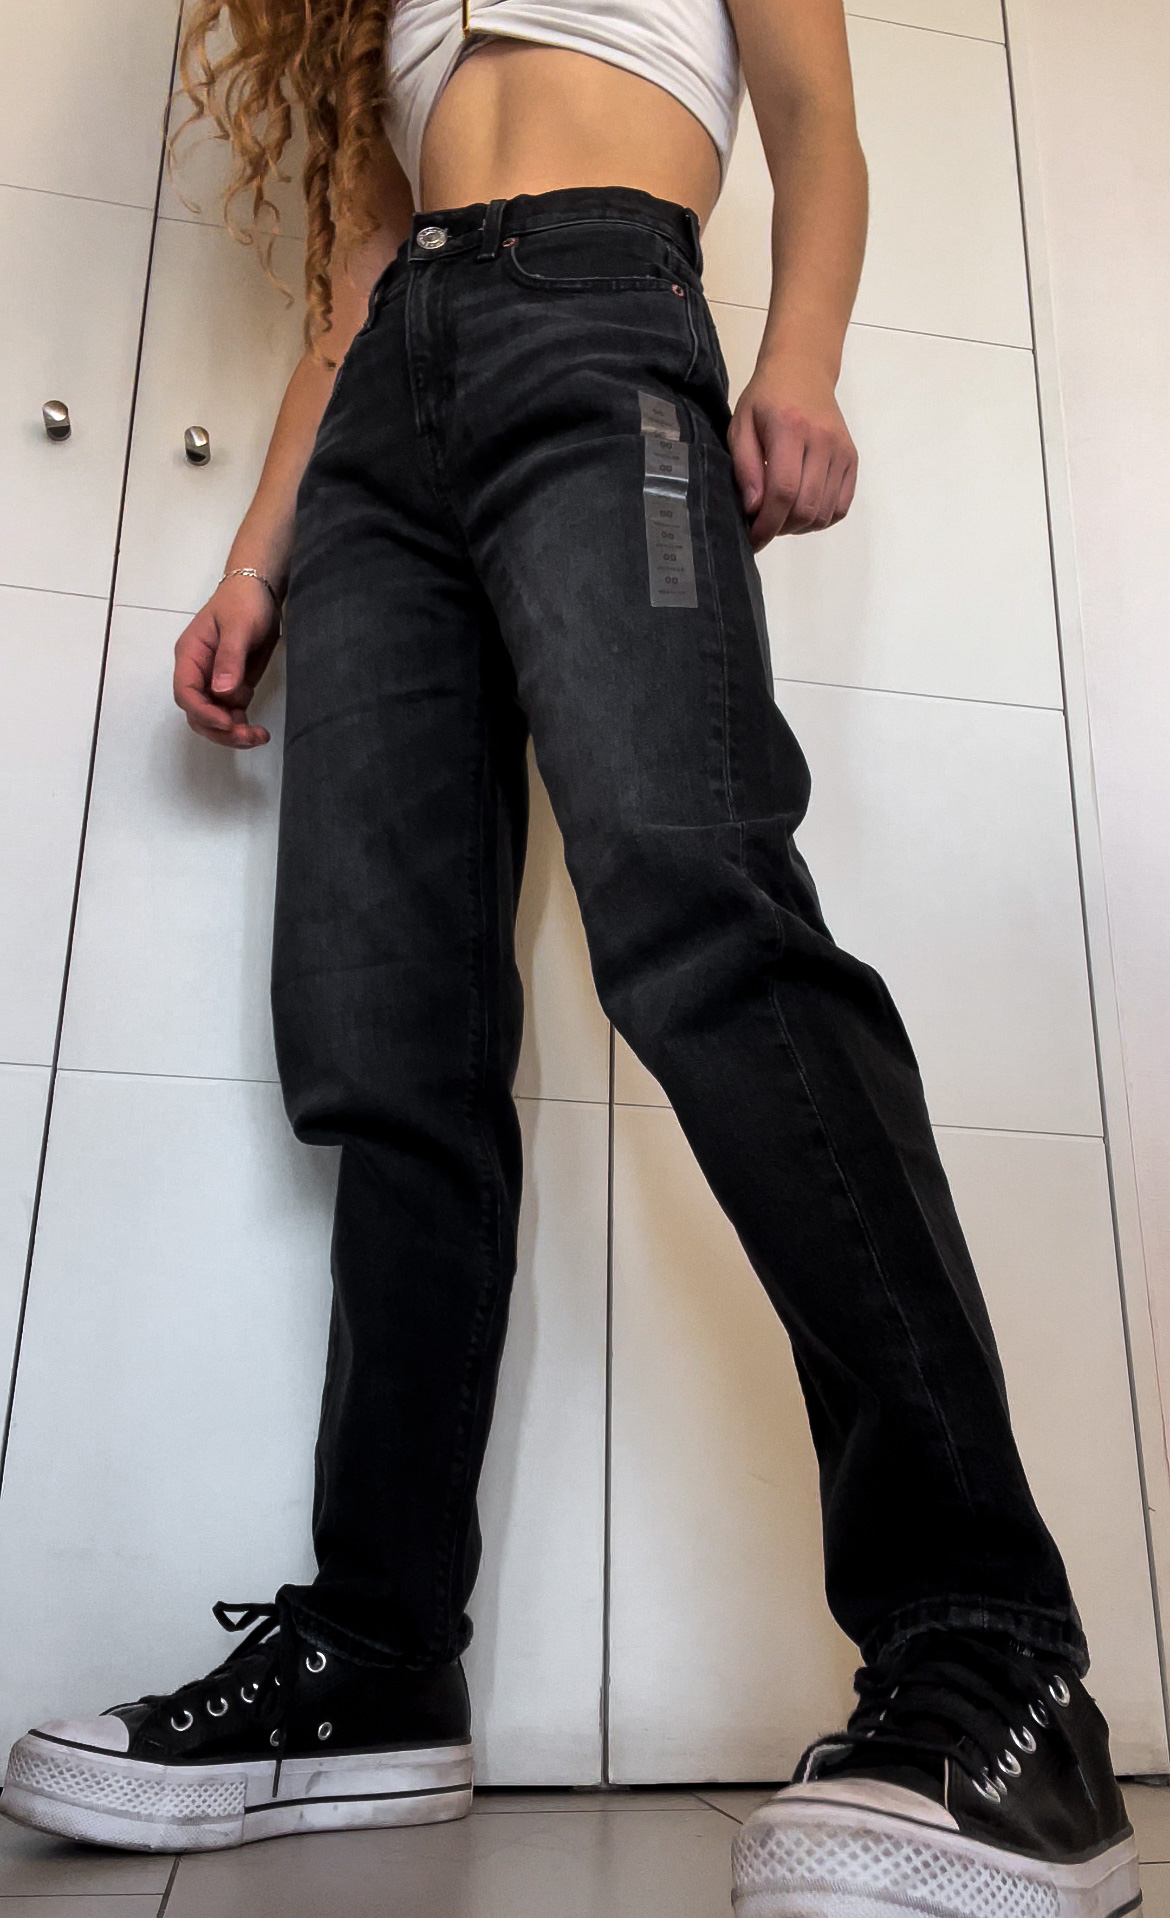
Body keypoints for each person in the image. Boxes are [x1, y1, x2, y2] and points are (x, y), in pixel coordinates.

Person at [0, 0, 1137, 1909]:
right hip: (382, 431)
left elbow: (817, 121)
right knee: (387, 1040)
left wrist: (798, 356)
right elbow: (360, 282)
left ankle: (993, 1648)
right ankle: (377, 1658)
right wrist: (262, 557)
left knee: (704, 925)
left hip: (603, 316)